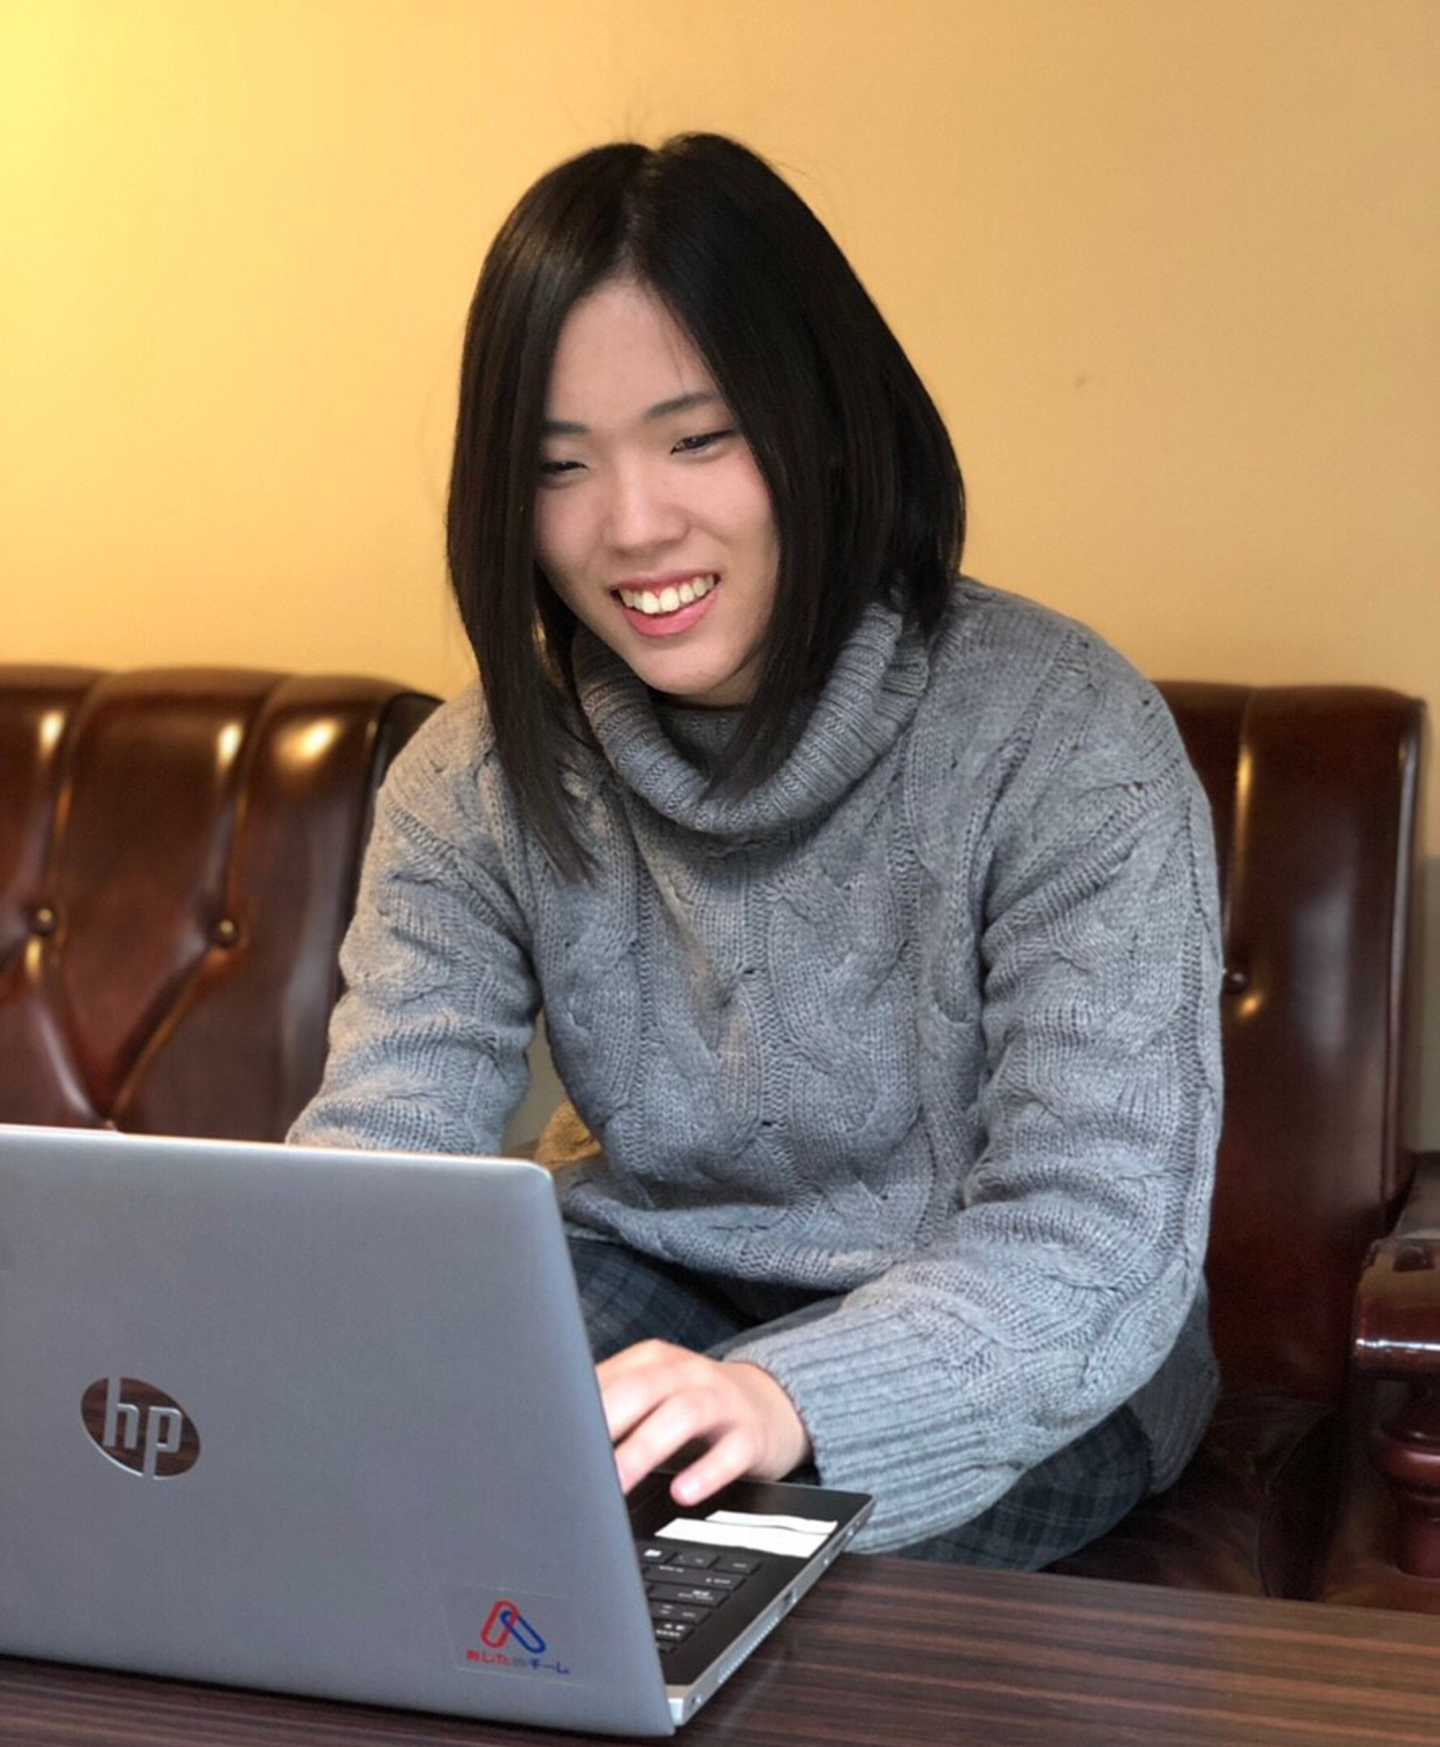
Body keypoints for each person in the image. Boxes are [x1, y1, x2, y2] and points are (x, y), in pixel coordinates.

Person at [289, 132, 1223, 1563]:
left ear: (827, 425)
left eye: (697, 439)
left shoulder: (1066, 735)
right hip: (653, 1277)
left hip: (1008, 1329)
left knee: (714, 1574)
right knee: (394, 1492)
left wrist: (790, 1394)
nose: (631, 525)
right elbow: (381, 1168)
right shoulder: (473, 776)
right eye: (558, 466)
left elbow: (1091, 1233)